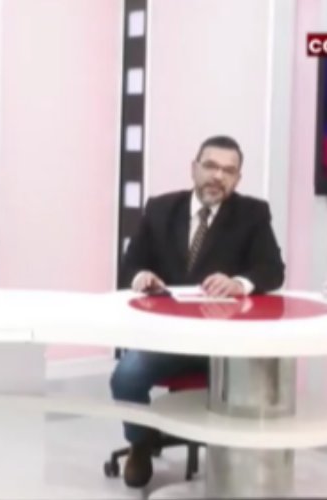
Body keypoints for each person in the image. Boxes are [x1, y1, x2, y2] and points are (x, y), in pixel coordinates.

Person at [111, 135, 285, 487]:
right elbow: (129, 267)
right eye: (211, 166)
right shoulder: (160, 209)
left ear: (237, 179)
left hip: (224, 346)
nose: (218, 176)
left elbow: (273, 270)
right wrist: (142, 277)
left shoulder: (252, 214)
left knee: (262, 380)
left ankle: (241, 460)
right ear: (194, 168)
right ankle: (140, 444)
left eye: (229, 171)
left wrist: (240, 282)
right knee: (126, 376)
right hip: (168, 341)